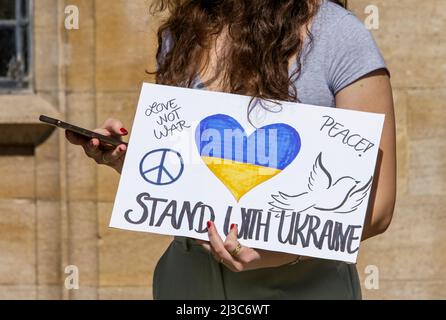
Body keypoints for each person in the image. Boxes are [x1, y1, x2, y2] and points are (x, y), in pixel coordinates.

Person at [66, 0, 396, 300]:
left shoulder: (339, 35)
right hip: (187, 283)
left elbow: (377, 207)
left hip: (300, 286)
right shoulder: (183, 33)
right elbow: (186, 176)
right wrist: (129, 158)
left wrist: (280, 254)